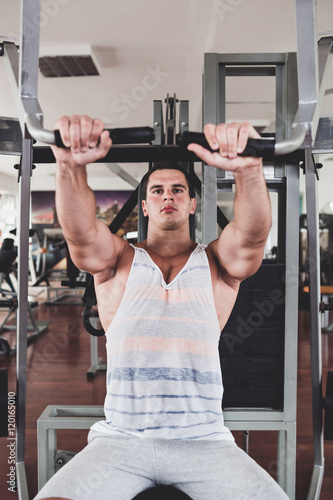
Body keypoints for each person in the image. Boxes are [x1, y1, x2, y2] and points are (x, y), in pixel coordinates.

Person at [35, 116, 289, 500]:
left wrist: (249, 170)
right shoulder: (117, 262)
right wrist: (70, 165)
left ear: (191, 204)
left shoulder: (217, 264)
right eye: (157, 191)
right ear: (145, 207)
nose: (167, 195)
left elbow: (252, 238)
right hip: (121, 441)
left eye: (177, 190)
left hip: (203, 441)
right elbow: (81, 234)